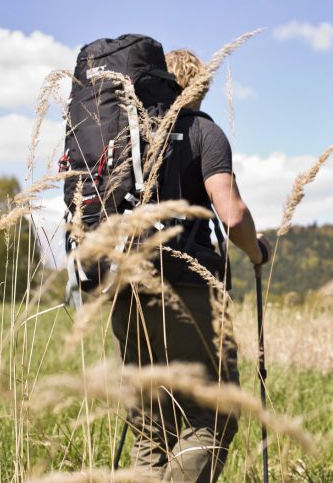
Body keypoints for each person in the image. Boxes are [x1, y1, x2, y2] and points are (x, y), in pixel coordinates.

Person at [109, 48, 271, 482]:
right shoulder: (203, 132)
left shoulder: (128, 137)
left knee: (152, 428)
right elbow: (232, 215)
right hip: (186, 290)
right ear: (200, 87)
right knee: (214, 413)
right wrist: (256, 251)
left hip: (125, 289)